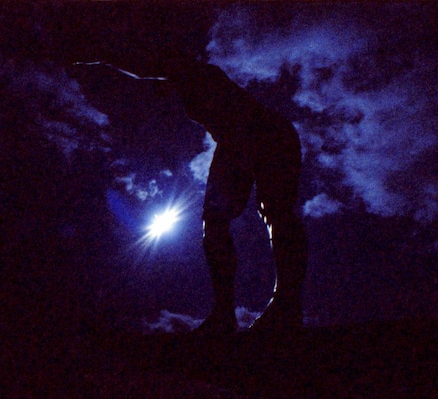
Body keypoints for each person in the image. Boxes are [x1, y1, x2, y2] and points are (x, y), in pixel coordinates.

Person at [87, 52, 308, 336]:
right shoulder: (185, 84)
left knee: (275, 211)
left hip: (267, 133)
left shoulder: (201, 74)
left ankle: (286, 305)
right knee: (214, 221)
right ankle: (224, 314)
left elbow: (147, 66)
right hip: (233, 142)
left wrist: (104, 56)